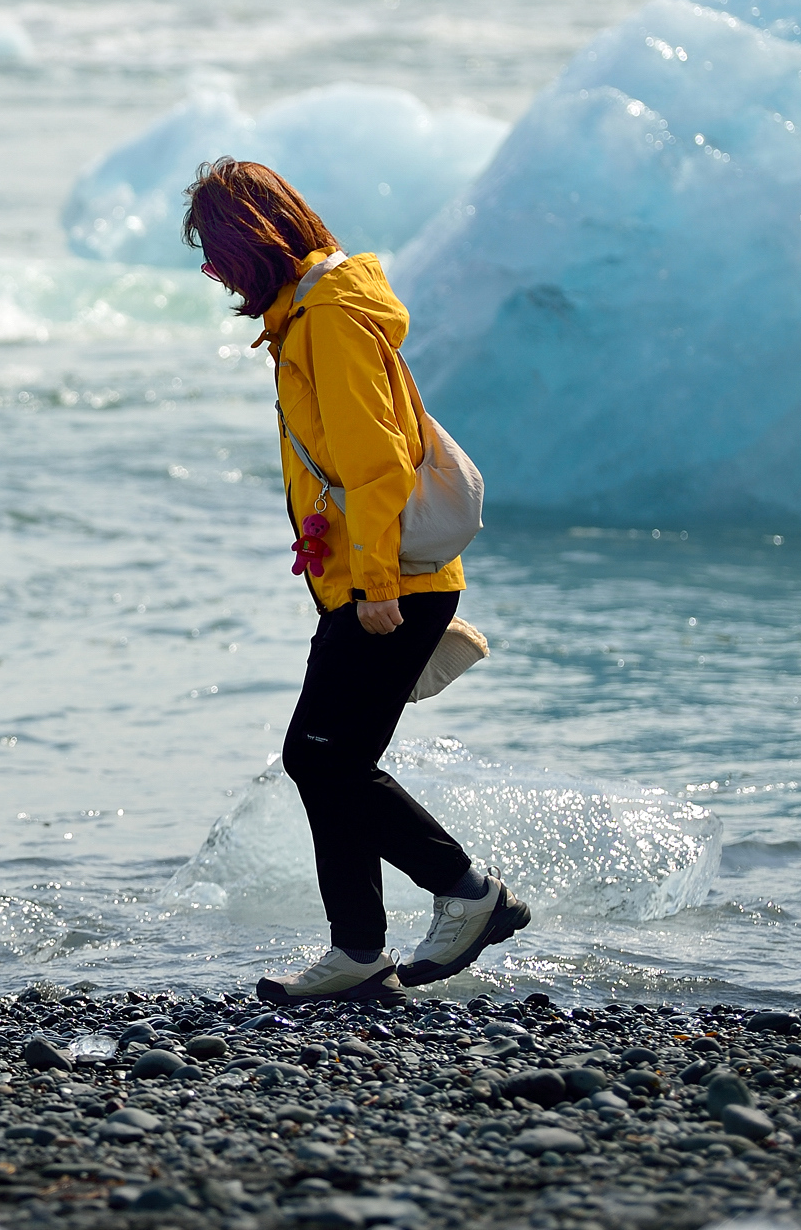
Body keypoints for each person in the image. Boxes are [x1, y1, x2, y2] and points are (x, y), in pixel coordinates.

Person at [181, 156, 529, 1003]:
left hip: (389, 583)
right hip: (366, 581)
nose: (215, 273)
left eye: (217, 254)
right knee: (330, 760)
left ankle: (469, 894)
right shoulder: (305, 318)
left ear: (253, 239)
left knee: (320, 756)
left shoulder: (329, 319)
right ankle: (359, 950)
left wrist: (375, 584)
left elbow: (377, 463)